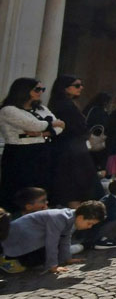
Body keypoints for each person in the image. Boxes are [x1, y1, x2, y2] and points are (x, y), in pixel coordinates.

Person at [0, 78, 63, 214]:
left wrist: (41, 133)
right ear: (23, 90)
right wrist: (50, 126)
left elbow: (60, 127)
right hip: (20, 153)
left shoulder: (41, 109)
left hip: (41, 151)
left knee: (40, 186)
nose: (40, 92)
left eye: (42, 89)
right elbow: (34, 125)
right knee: (20, 188)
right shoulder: (9, 110)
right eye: (37, 89)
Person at [1, 201, 104, 273]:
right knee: (36, 260)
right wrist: (53, 266)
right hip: (13, 240)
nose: (89, 227)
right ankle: (6, 260)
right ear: (81, 217)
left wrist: (67, 258)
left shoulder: (69, 217)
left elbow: (65, 238)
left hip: (26, 239)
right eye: (89, 223)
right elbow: (52, 242)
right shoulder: (60, 218)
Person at [48, 75, 97, 208]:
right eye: (76, 85)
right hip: (69, 150)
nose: (81, 88)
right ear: (64, 88)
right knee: (73, 185)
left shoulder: (68, 103)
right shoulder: (63, 105)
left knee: (77, 185)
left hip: (74, 148)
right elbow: (74, 126)